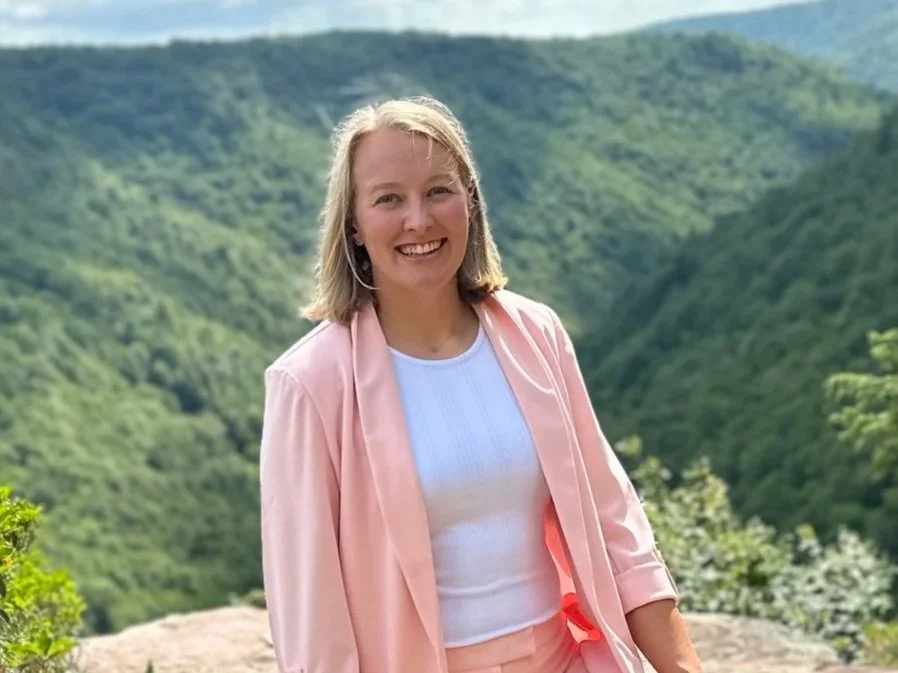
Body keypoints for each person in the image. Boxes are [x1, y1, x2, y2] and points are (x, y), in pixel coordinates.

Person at [259, 96, 703, 673]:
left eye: (438, 190)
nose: (418, 219)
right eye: (388, 198)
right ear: (354, 226)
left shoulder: (535, 335)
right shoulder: (309, 384)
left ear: (470, 201)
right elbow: (313, 623)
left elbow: (615, 526)